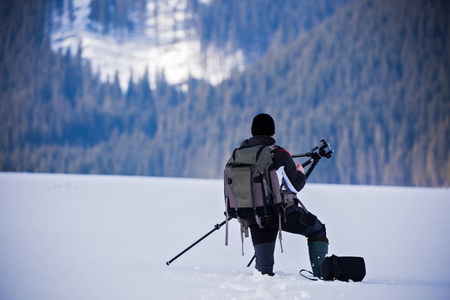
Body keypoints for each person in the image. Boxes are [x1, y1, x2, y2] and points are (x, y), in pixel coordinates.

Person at [240, 113, 328, 277]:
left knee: (264, 271)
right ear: (272, 133)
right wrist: (300, 172)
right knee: (317, 229)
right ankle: (321, 275)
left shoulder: (241, 153)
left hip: (253, 216)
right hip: (281, 214)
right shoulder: (280, 154)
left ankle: (261, 287)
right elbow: (296, 185)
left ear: (253, 132)